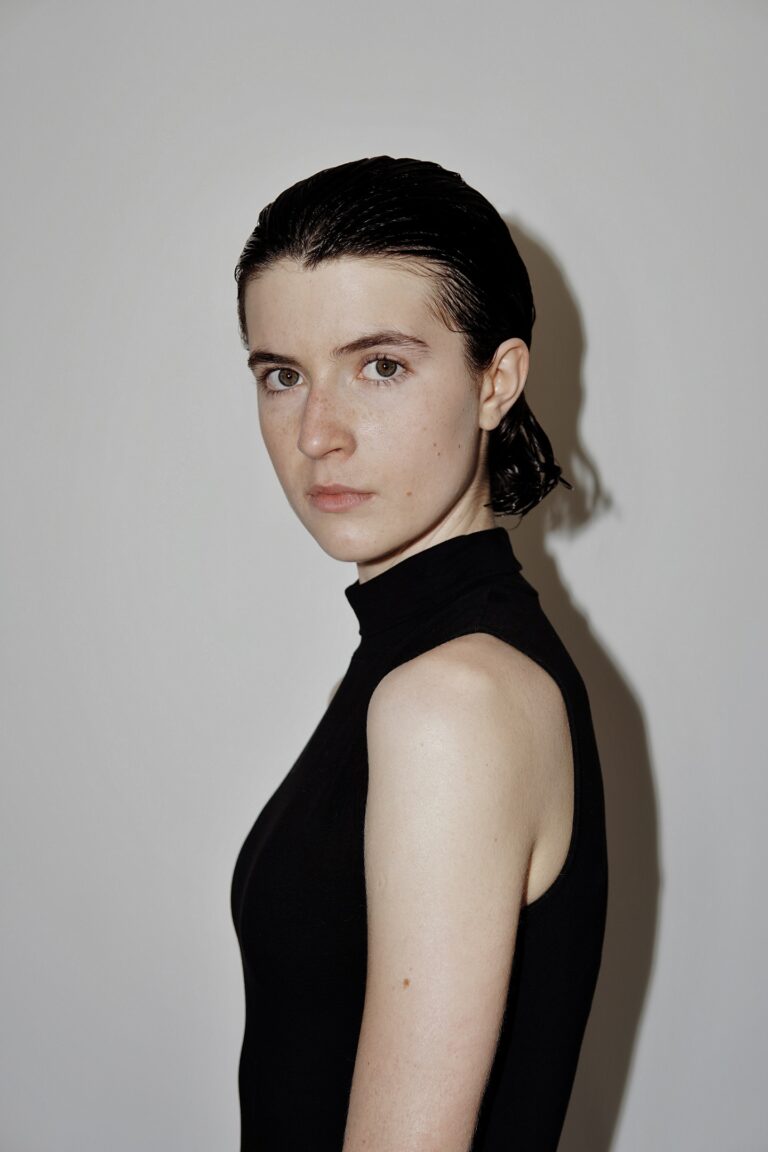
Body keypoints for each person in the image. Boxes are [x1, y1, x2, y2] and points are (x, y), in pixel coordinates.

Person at [229, 155, 608, 1152]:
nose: (319, 433)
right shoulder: (428, 663)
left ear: (496, 382)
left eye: (381, 366)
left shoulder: (452, 700)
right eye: (282, 375)